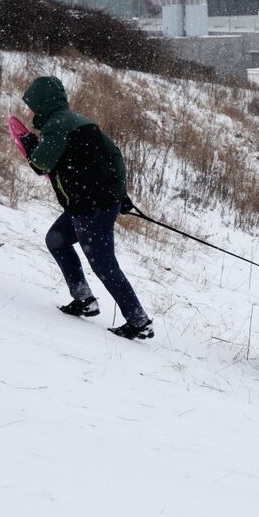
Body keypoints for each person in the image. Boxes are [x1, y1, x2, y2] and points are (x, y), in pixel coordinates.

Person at [14, 75, 154, 341]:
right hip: (96, 202)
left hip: (91, 207)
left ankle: (139, 321)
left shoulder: (57, 127)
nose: (30, 111)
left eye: (32, 105)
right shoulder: (80, 120)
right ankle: (84, 299)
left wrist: (31, 146)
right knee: (57, 240)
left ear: (44, 104)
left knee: (103, 263)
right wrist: (121, 193)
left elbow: (40, 165)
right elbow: (115, 155)